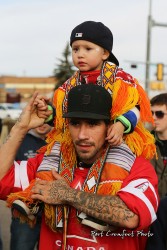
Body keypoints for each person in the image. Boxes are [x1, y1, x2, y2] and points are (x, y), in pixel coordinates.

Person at [5, 20, 156, 230]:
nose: (79, 54)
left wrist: (121, 126)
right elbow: (61, 119)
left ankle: (101, 215)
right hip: (69, 142)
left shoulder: (121, 79)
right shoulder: (69, 85)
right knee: (51, 158)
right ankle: (33, 200)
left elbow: (135, 108)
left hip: (116, 139)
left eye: (87, 48)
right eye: (75, 49)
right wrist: (47, 114)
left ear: (105, 53)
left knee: (117, 165)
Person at [0, 85, 159, 250]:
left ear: (110, 126)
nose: (82, 135)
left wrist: (67, 195)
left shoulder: (136, 166)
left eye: (92, 124)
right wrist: (21, 127)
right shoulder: (49, 163)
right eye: (75, 123)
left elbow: (131, 216)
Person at [10, 124, 52, 250]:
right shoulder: (20, 140)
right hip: (25, 215)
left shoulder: (59, 141)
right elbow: (7, 173)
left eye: (48, 120)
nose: (43, 124)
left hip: (51, 215)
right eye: (40, 120)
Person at [150, 93, 167, 198]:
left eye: (159, 114)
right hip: (151, 207)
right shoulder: (144, 143)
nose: (153, 118)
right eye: (151, 113)